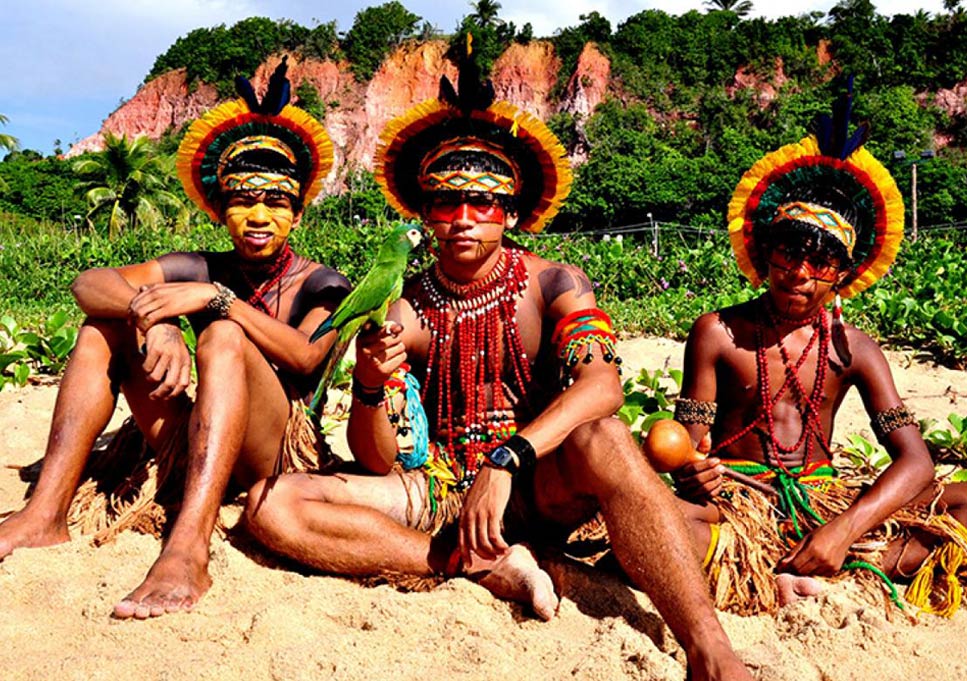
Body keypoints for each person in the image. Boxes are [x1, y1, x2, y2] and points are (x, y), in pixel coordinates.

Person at [244, 49, 751, 680]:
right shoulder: (404, 308)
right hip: (436, 492)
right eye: (445, 202)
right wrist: (373, 387)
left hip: (535, 481)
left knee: (608, 437)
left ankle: (709, 647)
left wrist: (508, 457)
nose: (462, 220)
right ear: (423, 214)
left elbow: (602, 385)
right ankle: (478, 565)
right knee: (273, 506)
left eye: (482, 202)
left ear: (510, 213)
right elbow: (378, 458)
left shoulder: (554, 284)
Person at [0, 60, 351, 619]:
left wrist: (217, 301)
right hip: (193, 441)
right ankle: (46, 513)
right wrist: (154, 319)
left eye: (276, 202)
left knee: (224, 338)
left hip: (271, 459)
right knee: (102, 327)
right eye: (241, 199)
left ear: (298, 212)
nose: (258, 215)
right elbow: (88, 284)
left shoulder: (323, 283)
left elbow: (308, 357)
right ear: (219, 209)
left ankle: (190, 545)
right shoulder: (197, 263)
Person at [671, 86, 967, 616]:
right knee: (660, 523)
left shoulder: (855, 349)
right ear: (763, 254)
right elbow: (686, 448)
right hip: (739, 502)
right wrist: (696, 470)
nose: (799, 275)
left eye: (820, 263)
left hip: (826, 501)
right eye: (788, 254)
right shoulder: (718, 332)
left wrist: (843, 526)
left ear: (845, 276)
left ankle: (826, 561)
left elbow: (916, 460)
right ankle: (809, 568)